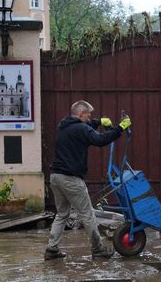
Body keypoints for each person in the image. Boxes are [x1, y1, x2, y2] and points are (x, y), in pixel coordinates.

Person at [45, 100, 132, 260]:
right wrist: (120, 128)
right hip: (71, 179)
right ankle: (98, 249)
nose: (90, 117)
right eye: (88, 115)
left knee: (62, 214)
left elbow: (84, 128)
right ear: (80, 114)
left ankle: (51, 249)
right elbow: (100, 140)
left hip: (55, 177)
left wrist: (98, 122)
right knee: (88, 215)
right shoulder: (81, 128)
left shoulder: (63, 126)